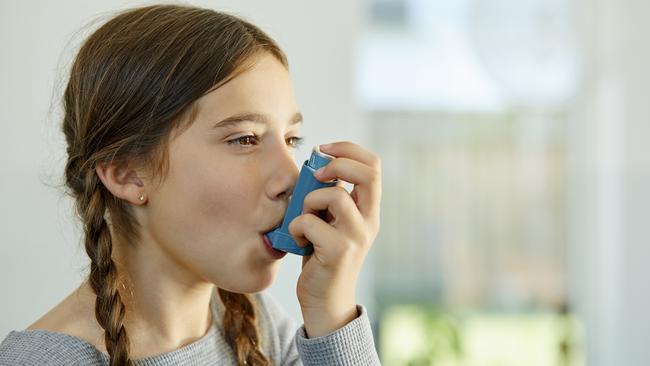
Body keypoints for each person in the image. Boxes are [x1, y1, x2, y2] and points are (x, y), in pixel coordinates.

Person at [0, 4, 382, 366]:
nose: (290, 178)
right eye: (245, 139)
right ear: (126, 173)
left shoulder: (258, 326)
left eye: (290, 139)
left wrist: (332, 314)